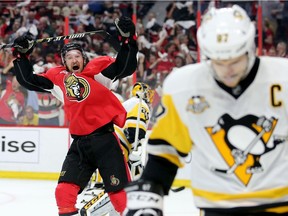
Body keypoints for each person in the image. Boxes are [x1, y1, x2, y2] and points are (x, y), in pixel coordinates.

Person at [124, 5, 288, 216]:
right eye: (219, 62)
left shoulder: (282, 78)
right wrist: (151, 189)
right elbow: (167, 147)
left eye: (235, 61)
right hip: (217, 208)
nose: (228, 70)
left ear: (250, 48)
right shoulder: (184, 86)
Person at [12, 16, 138, 216]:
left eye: (77, 56)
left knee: (120, 195)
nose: (74, 60)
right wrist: (21, 55)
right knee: (63, 193)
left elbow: (126, 66)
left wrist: (128, 40)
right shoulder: (58, 80)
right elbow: (28, 80)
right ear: (64, 62)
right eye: (69, 57)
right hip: (79, 146)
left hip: (105, 141)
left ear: (83, 58)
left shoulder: (99, 73)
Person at [115, 82, 154, 180]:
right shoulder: (140, 103)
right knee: (119, 178)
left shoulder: (129, 102)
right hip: (119, 142)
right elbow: (135, 129)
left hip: (111, 137)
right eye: (148, 93)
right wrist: (135, 146)